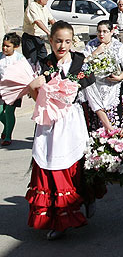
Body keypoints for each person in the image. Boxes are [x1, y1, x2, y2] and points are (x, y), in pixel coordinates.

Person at [26, 21, 98, 240]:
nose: (62, 46)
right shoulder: (45, 63)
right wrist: (33, 88)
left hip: (72, 120)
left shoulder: (80, 62)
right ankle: (57, 219)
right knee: (48, 165)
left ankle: (84, 199)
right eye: (58, 41)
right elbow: (36, 97)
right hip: (49, 122)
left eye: (67, 41)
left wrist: (106, 123)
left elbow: (89, 89)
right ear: (50, 41)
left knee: (76, 165)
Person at [82, 20, 123, 132]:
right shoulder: (91, 45)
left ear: (111, 32)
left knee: (118, 119)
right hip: (96, 88)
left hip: (115, 86)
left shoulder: (118, 46)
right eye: (99, 31)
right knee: (97, 121)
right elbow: (83, 64)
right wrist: (96, 52)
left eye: (105, 31)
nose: (101, 34)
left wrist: (120, 77)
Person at [0, 33, 27, 146]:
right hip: (1, 88)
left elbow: (26, 73)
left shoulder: (19, 58)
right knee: (1, 112)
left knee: (9, 112)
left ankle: (8, 136)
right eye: (3, 45)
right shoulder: (0, 56)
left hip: (14, 90)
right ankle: (7, 126)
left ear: (15, 47)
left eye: (8, 46)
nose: (5, 48)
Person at [22, 0, 56, 64]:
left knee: (43, 58)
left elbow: (52, 20)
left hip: (40, 38)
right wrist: (48, 32)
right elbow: (37, 21)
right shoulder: (32, 6)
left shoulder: (44, 7)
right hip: (30, 38)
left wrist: (59, 28)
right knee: (32, 61)